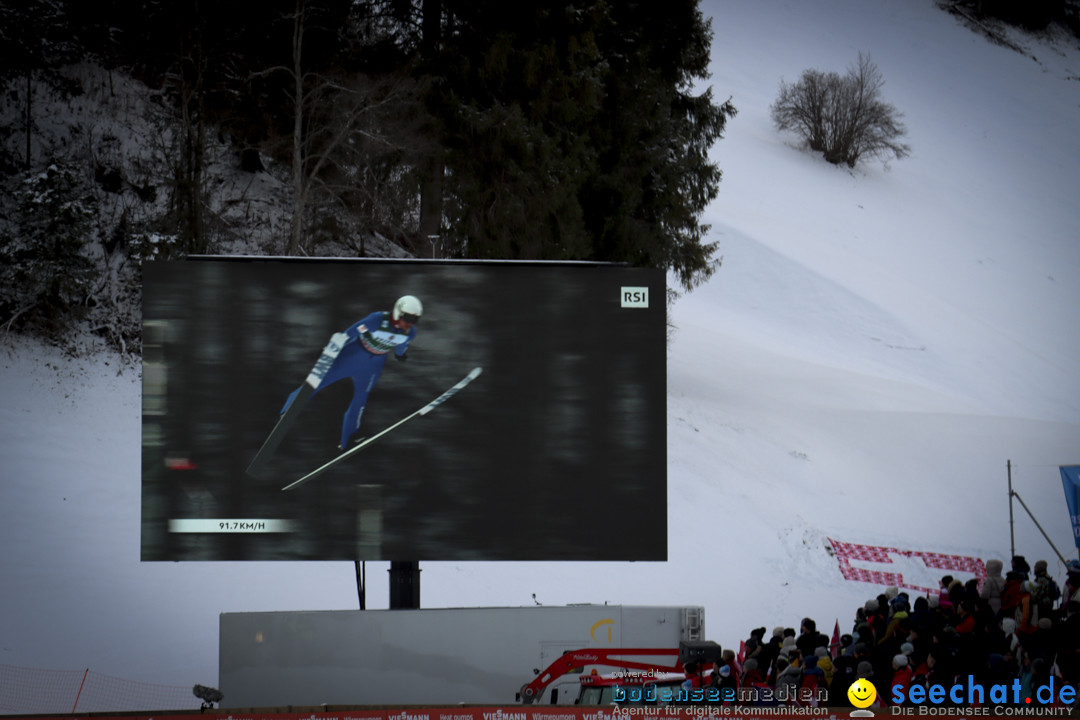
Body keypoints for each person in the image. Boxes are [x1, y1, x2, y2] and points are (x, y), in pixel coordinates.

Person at [281, 295, 422, 449]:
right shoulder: (378, 320)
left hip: (373, 365)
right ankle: (289, 409)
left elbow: (402, 345)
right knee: (319, 382)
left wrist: (400, 355)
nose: (409, 324)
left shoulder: (410, 333)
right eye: (407, 318)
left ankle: (349, 438)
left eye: (414, 320)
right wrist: (336, 345)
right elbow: (351, 332)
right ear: (398, 312)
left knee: (360, 399)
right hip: (353, 355)